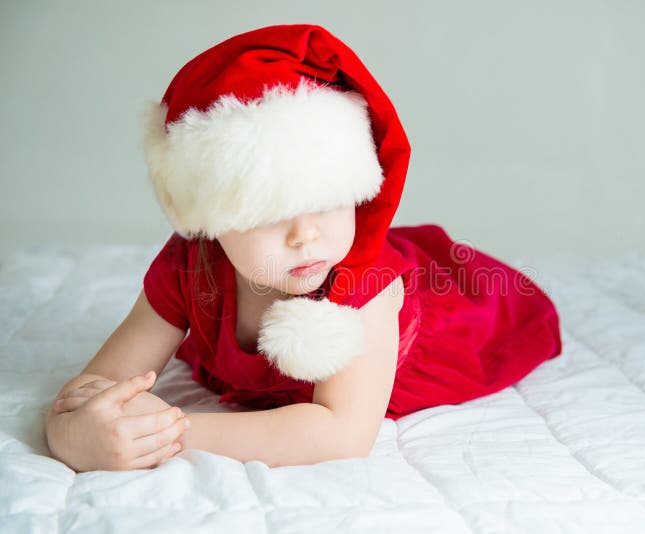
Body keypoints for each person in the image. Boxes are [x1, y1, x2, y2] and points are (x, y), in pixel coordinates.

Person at [44, 23, 563, 472]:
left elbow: (340, 436)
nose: (305, 235)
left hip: (463, 315)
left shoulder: (365, 289)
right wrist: (73, 432)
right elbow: (95, 385)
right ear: (210, 222)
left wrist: (164, 433)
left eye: (328, 200)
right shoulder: (190, 267)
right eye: (270, 213)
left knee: (483, 301)